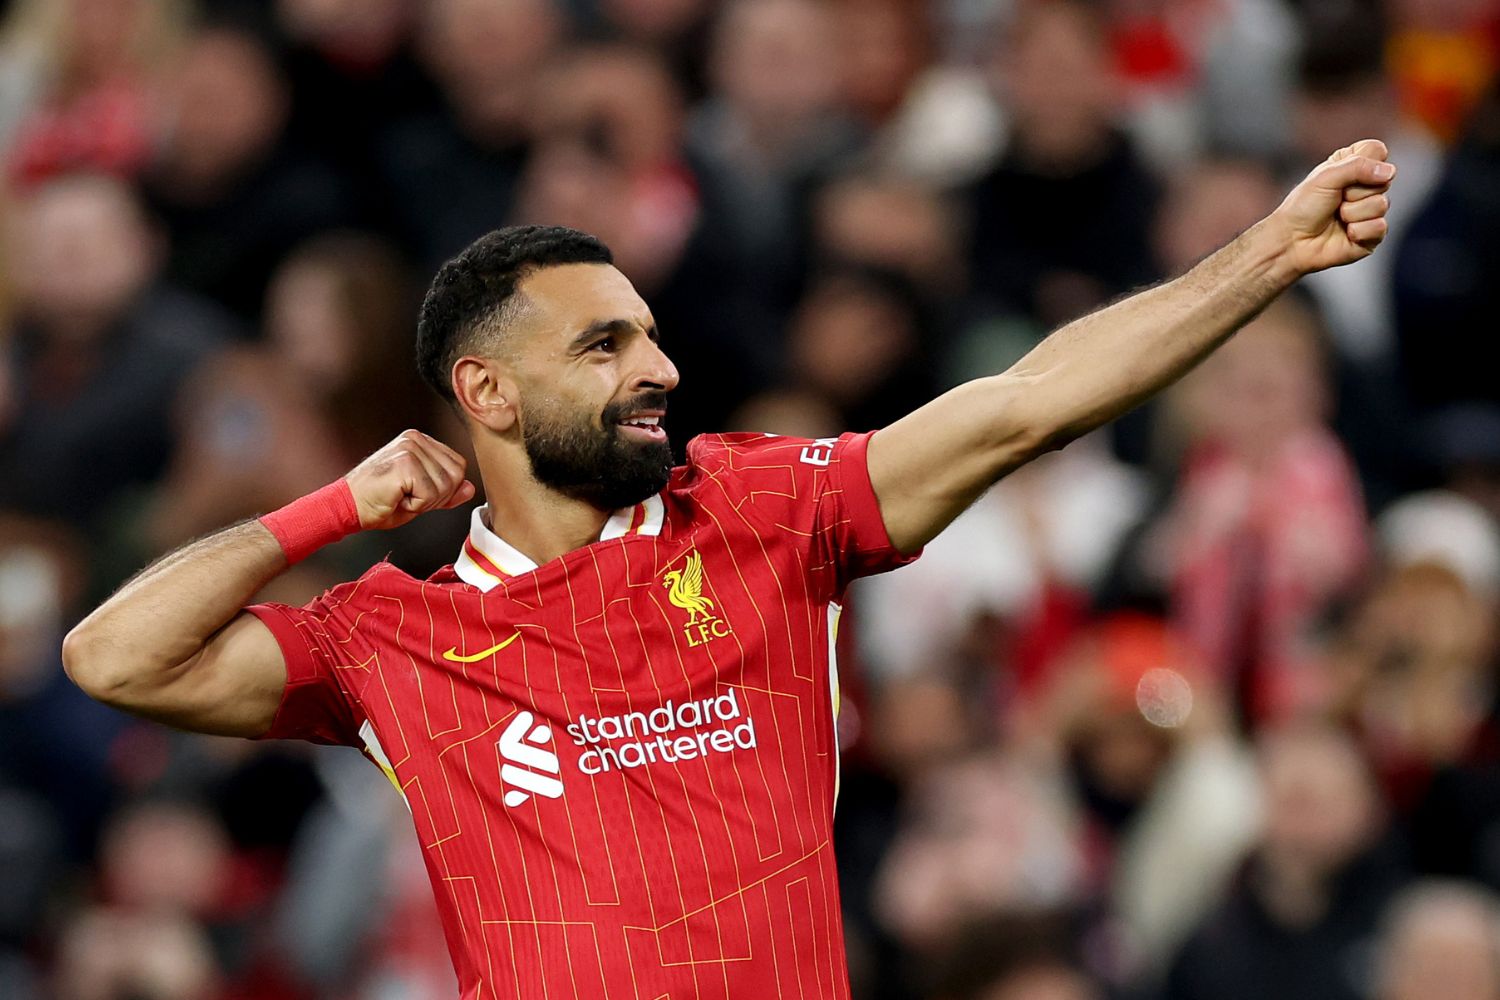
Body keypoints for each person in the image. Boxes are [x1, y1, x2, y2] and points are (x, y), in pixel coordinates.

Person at [62, 139, 1397, 999]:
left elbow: (1021, 406)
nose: (660, 368)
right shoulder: (390, 636)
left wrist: (1270, 254)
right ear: (487, 390)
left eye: (649, 334)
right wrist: (332, 510)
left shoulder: (757, 511)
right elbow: (112, 657)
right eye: (604, 346)